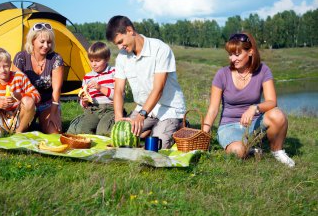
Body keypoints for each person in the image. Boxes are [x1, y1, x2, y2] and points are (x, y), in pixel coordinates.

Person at [202, 32, 295, 167]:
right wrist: (204, 133)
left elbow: (272, 102)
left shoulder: (263, 70)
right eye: (230, 54)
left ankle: (277, 151)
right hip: (229, 126)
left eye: (237, 54)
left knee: (277, 115)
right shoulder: (222, 74)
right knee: (238, 151)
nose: (232, 59)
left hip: (254, 122)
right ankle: (248, 149)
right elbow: (213, 109)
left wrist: (255, 108)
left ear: (250, 52)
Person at [106, 15, 186, 149]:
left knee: (157, 146)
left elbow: (158, 89)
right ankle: (150, 129)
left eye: (121, 41)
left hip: (168, 107)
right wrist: (118, 117)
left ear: (130, 30)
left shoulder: (160, 49)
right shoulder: (122, 57)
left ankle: (179, 124)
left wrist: (141, 116)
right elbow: (118, 90)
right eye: (117, 44)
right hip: (143, 107)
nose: (120, 47)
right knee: (121, 139)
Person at [13, 22, 66, 134]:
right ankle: (25, 125)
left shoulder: (56, 59)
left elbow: (57, 90)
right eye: (42, 42)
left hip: (47, 104)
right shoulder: (21, 57)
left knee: (54, 132)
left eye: (49, 42)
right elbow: (16, 87)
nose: (46, 46)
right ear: (33, 41)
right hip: (27, 103)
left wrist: (54, 113)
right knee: (22, 131)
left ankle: (41, 122)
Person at [67, 42, 115, 136]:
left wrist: (100, 88)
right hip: (93, 109)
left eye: (97, 61)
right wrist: (84, 102)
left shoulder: (113, 72)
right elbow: (83, 101)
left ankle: (102, 129)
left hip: (110, 108)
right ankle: (93, 131)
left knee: (104, 132)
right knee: (81, 130)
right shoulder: (87, 77)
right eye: (91, 61)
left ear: (107, 58)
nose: (94, 64)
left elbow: (119, 95)